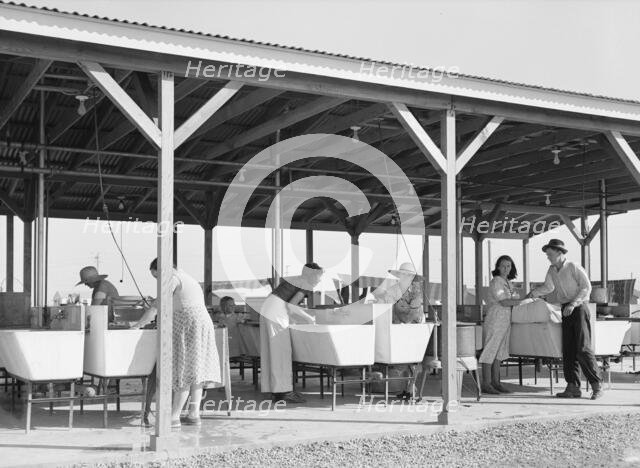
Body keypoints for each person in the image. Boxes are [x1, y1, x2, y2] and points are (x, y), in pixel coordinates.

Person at [132, 258, 220, 428]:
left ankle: (173, 417)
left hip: (189, 326)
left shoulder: (172, 278)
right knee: (196, 372)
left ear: (163, 269)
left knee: (184, 372)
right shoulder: (185, 277)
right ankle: (193, 414)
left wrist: (137, 325)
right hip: (200, 324)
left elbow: (156, 307)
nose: (158, 281)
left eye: (157, 277)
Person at [526, 239, 603, 399]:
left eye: (550, 254)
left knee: (583, 348)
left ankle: (597, 386)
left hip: (579, 307)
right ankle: (572, 386)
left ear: (559, 252)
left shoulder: (573, 266)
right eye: (547, 254)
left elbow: (586, 287)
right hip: (565, 309)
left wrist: (574, 303)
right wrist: (532, 294)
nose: (548, 257)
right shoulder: (552, 270)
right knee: (568, 350)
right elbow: (548, 287)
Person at [260, 263, 323, 404]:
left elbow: (287, 304)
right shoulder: (306, 284)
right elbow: (291, 305)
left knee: (271, 352)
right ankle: (285, 392)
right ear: (312, 275)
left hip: (267, 308)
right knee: (281, 352)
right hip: (276, 313)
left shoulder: (295, 280)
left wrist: (294, 318)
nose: (319, 280)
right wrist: (309, 318)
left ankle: (274, 390)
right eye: (319, 276)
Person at [479, 255, 527, 394]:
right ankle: (486, 383)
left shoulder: (509, 283)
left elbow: (511, 300)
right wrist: (521, 301)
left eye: (509, 266)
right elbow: (504, 301)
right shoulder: (496, 282)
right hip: (495, 320)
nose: (506, 268)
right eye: (504, 266)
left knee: (499, 352)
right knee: (490, 350)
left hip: (505, 321)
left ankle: (496, 382)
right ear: (498, 267)